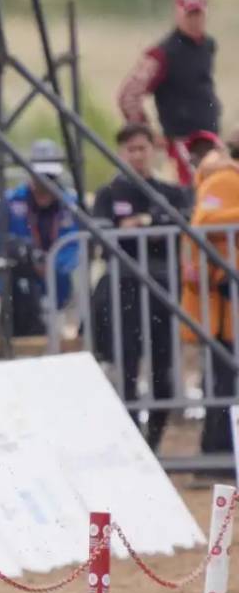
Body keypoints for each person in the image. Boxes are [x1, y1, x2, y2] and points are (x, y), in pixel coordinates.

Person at [91, 124, 191, 451]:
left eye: (142, 148)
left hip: (163, 291)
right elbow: (104, 239)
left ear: (153, 150)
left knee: (164, 371)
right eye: (130, 149)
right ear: (121, 153)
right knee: (128, 368)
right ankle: (133, 443)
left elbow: (179, 224)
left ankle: (154, 443)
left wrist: (139, 224)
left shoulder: (171, 192)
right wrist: (151, 224)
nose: (137, 155)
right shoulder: (108, 195)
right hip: (124, 291)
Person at [117, 0, 221, 187]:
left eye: (198, 13)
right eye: (189, 14)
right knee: (190, 194)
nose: (194, 19)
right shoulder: (162, 54)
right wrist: (147, 133)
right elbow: (129, 95)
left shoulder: (207, 46)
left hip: (209, 140)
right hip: (182, 143)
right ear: (178, 14)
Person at [0, 139, 79, 337]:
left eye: (50, 177)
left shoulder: (71, 205)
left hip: (56, 293)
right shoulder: (10, 202)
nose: (44, 183)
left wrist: (49, 266)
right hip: (15, 294)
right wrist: (21, 258)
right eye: (39, 176)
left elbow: (76, 246)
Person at [179, 142, 239, 454]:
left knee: (222, 374)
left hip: (224, 296)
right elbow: (206, 221)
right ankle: (217, 448)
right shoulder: (225, 179)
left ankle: (220, 446)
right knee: (222, 375)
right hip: (222, 296)